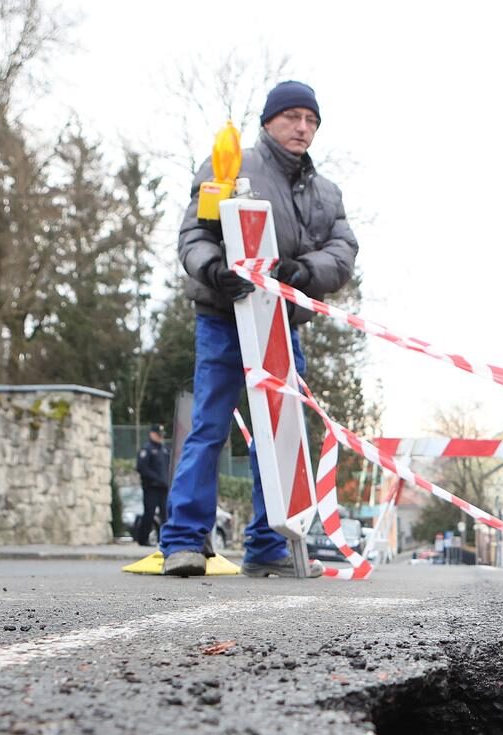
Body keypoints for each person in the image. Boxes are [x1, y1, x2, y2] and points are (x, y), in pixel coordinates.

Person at [160, 79, 359, 578]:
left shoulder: (325, 192)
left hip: (283, 324)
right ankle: (184, 542)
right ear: (269, 120)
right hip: (224, 318)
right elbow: (195, 234)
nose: (303, 127)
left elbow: (343, 251)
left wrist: (303, 272)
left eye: (311, 120)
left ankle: (269, 546)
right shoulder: (230, 165)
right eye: (293, 116)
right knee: (208, 427)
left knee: (282, 435)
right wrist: (213, 270)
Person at [132, 424, 171, 546]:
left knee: (166, 515)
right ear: (152, 434)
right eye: (158, 435)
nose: (160, 438)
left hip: (164, 488)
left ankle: (164, 540)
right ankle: (143, 539)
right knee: (149, 514)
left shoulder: (164, 450)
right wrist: (157, 479)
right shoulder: (146, 449)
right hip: (151, 487)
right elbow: (142, 468)